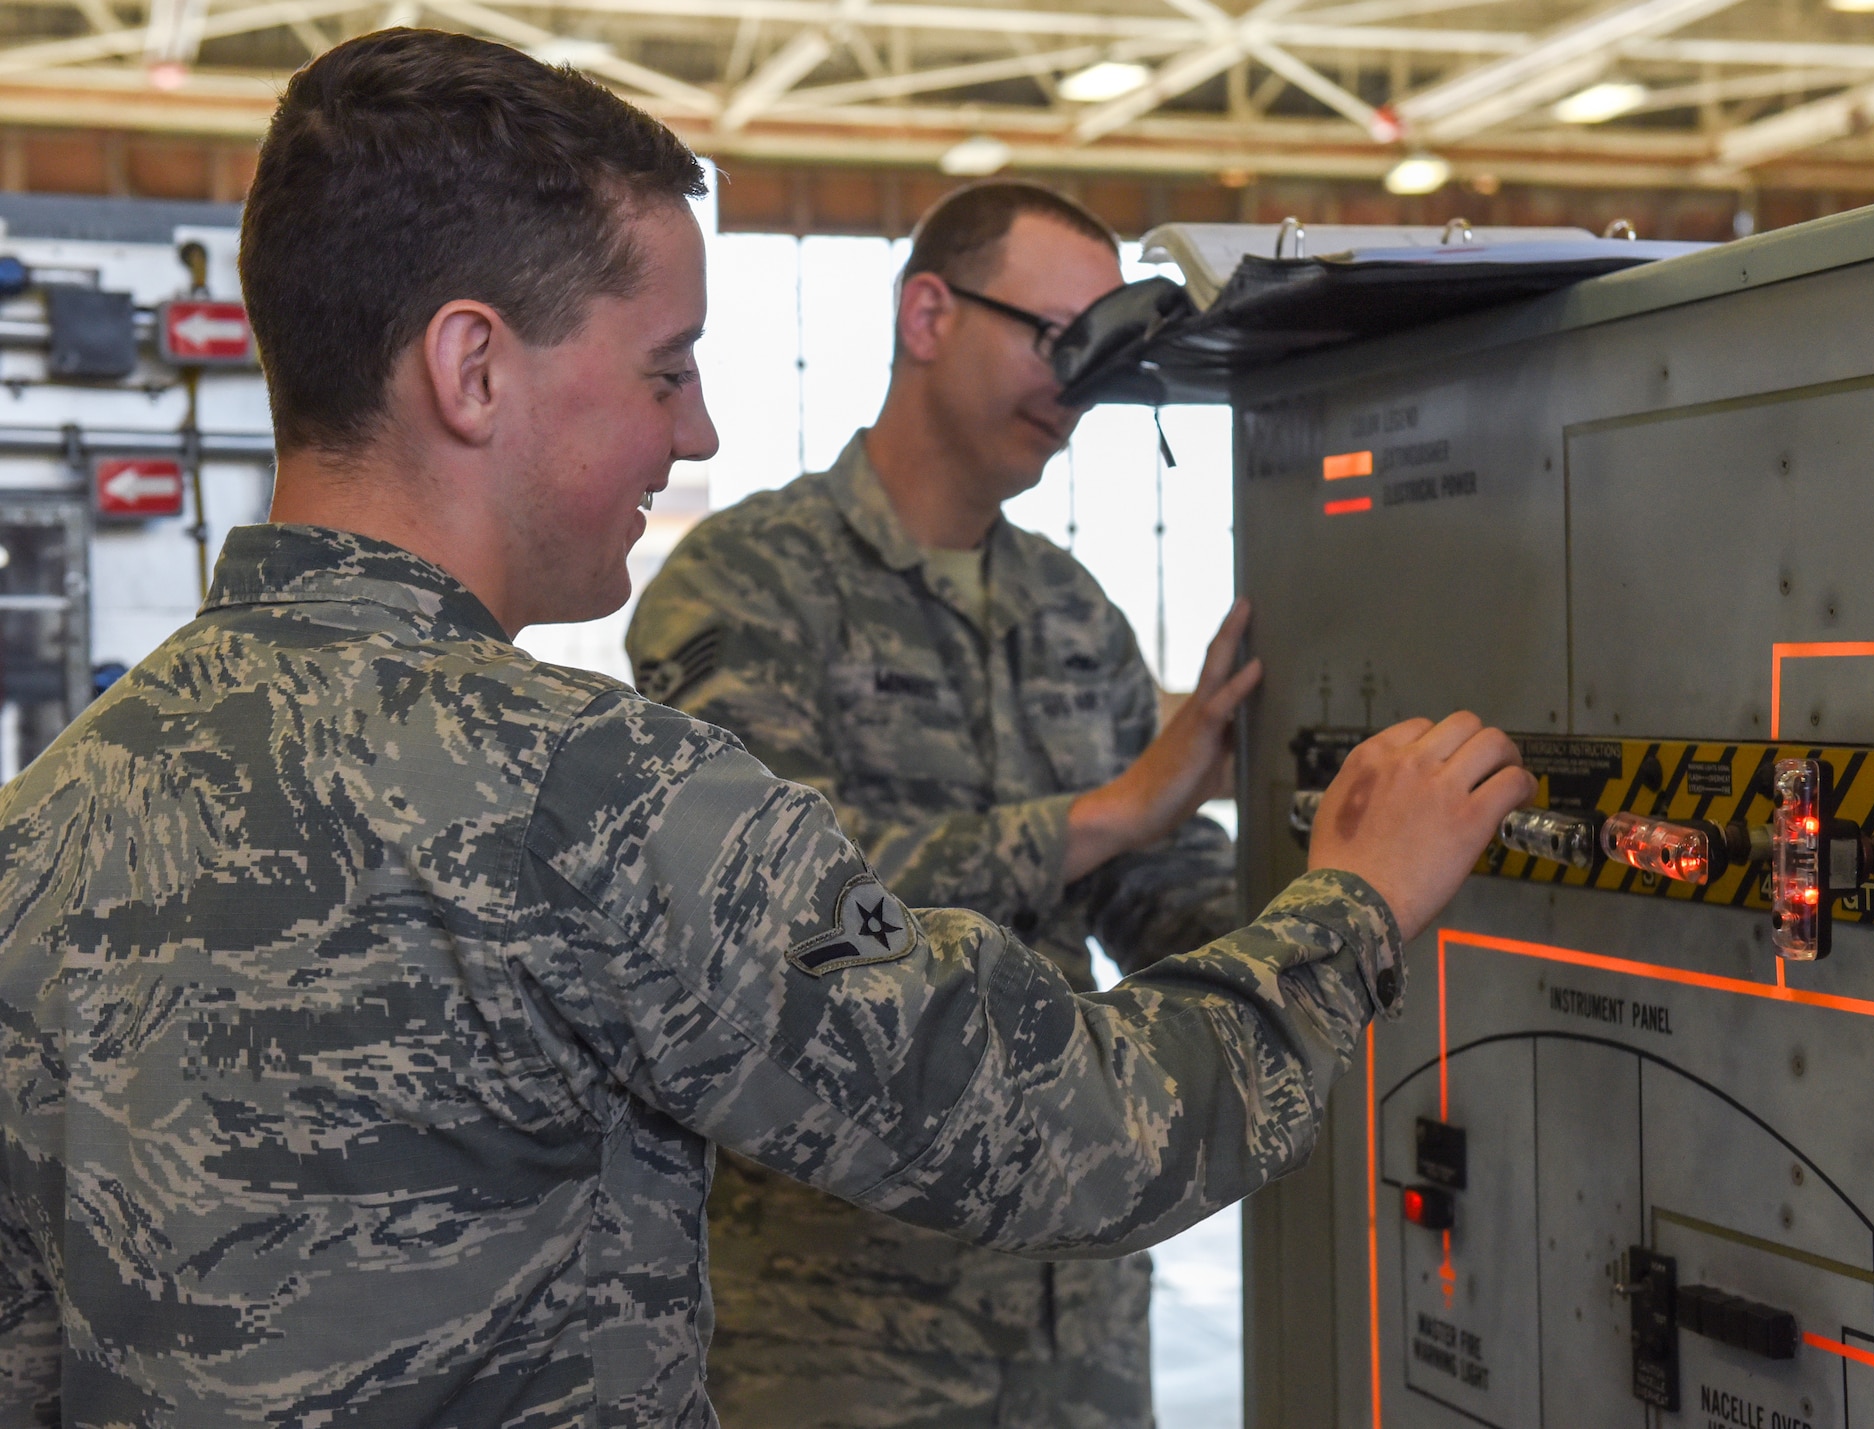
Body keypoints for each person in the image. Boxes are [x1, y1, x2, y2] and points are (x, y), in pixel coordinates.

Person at [0, 29, 1534, 1429]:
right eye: (664, 368)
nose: (700, 428)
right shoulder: (586, 793)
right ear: (473, 370)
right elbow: (1087, 1125)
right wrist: (1358, 903)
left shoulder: (50, 819)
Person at [623, 181, 1254, 1428]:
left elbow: (1159, 888)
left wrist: (1347, 903)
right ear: (927, 312)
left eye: (1107, 350)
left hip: (1070, 1306)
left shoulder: (1073, 609)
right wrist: (1105, 813)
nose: (1079, 382)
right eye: (1054, 335)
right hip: (842, 1330)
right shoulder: (743, 586)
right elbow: (783, 914)